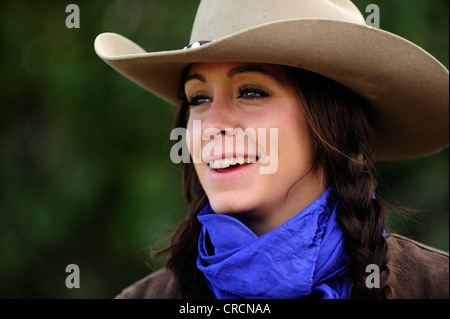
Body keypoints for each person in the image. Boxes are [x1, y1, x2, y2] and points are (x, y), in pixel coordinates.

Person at [94, 0, 449, 299]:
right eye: (198, 98)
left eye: (251, 92)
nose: (212, 124)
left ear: (330, 122)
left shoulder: (435, 286)